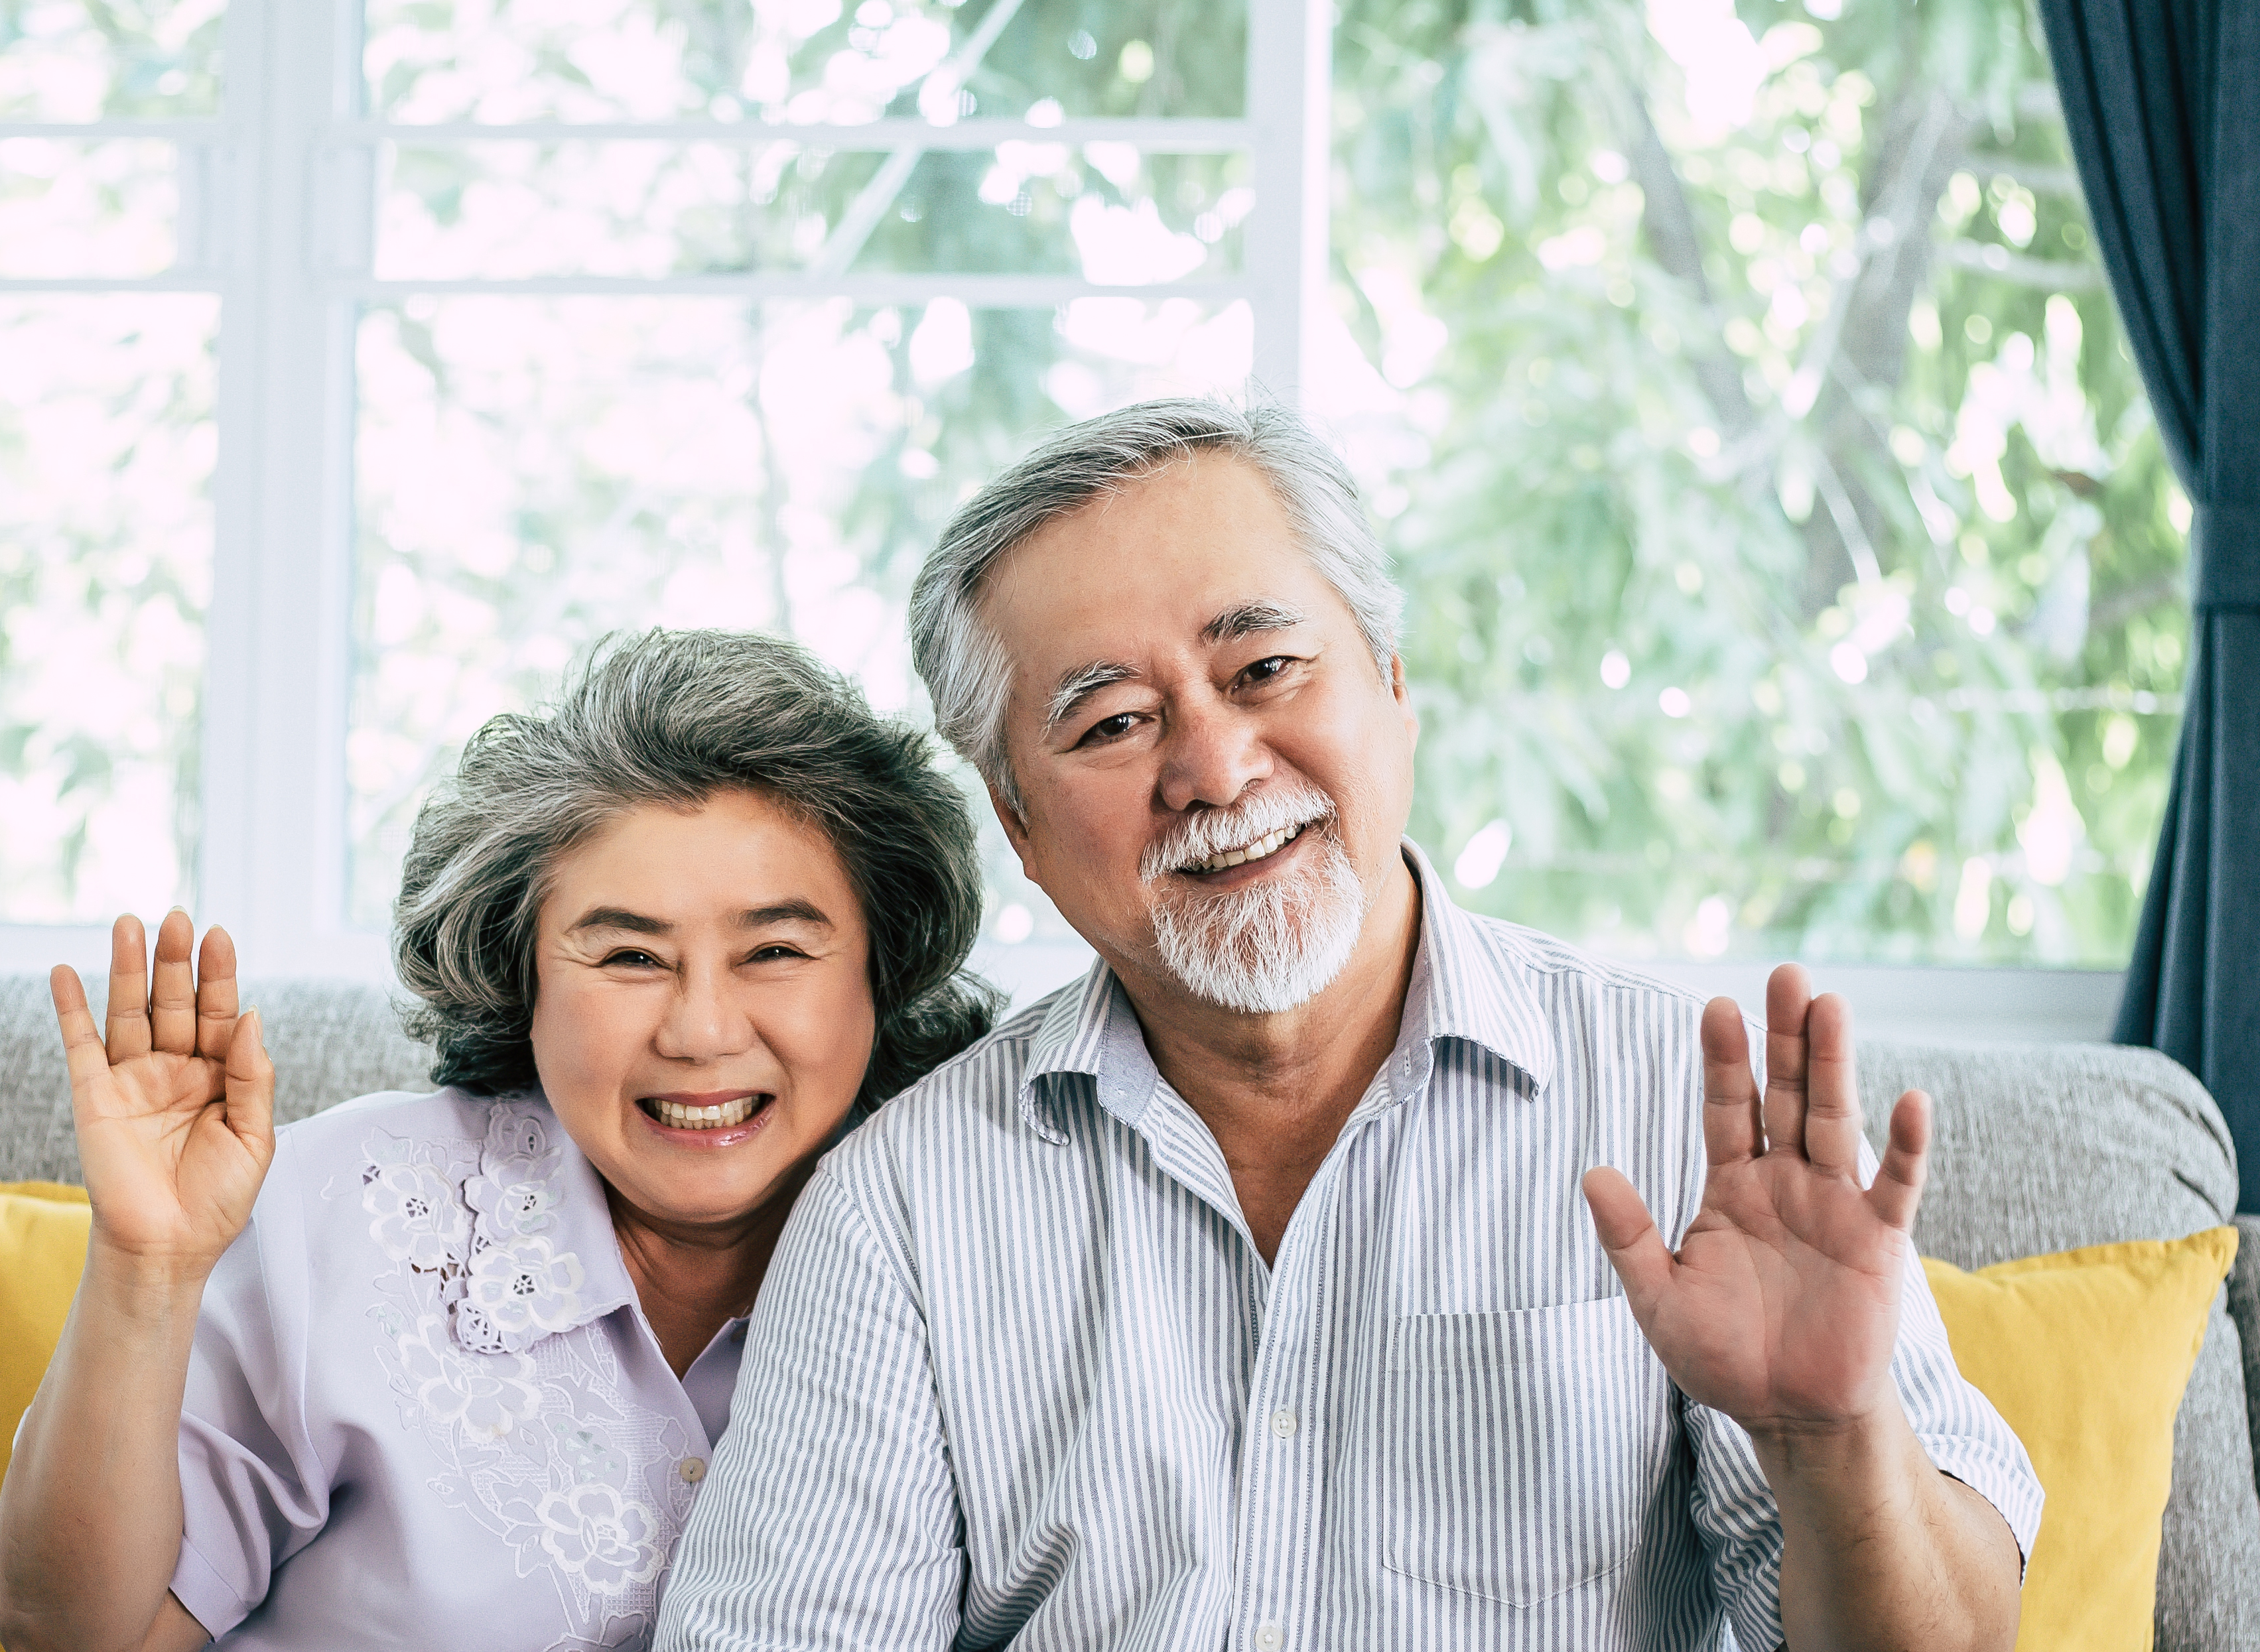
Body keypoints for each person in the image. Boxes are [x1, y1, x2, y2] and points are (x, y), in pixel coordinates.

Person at [656, 397, 2042, 1651]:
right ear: (1015, 821)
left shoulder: (1681, 1106)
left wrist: (1829, 1436)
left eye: (1261, 668)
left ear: (1390, 683)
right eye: (1113, 723)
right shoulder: (898, 1205)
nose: (1210, 766)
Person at [0, 629, 1000, 1652]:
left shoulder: (985, 1245)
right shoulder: (335, 1202)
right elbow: (77, 1639)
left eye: (775, 950)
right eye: (628, 955)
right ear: (526, 983)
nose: (701, 1031)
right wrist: (144, 1269)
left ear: (883, 970)